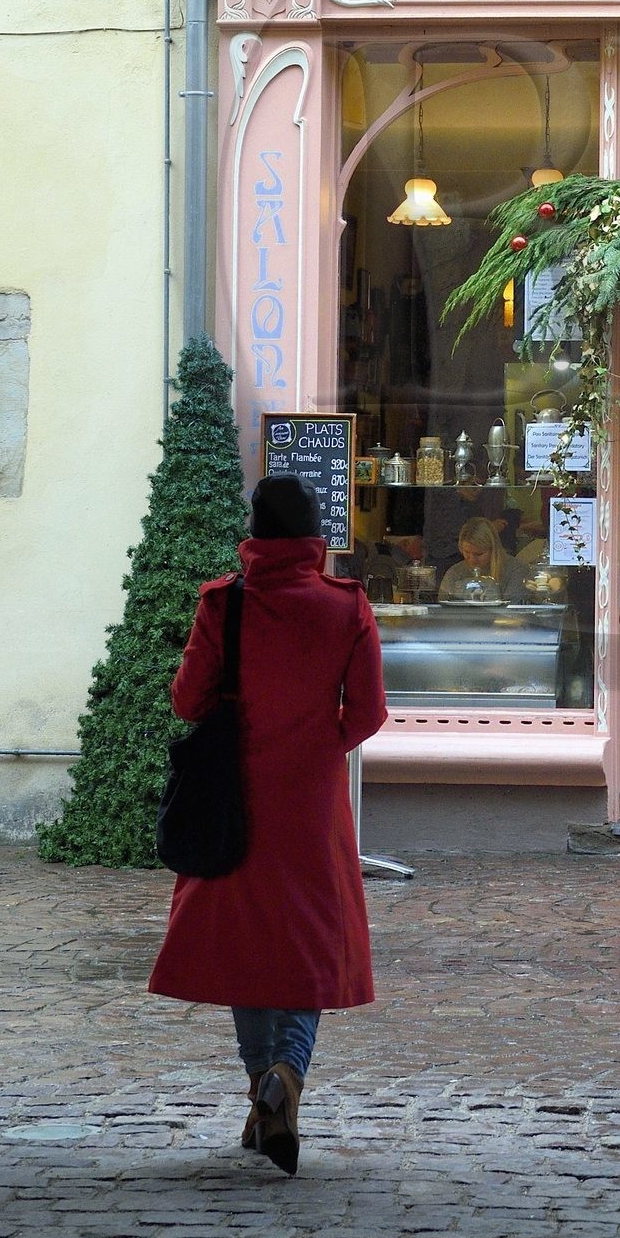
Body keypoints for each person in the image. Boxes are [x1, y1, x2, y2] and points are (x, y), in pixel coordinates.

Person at [147, 473, 387, 1175]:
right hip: (310, 804)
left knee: (242, 947)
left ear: (255, 531)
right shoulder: (345, 608)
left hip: (234, 800)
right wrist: (318, 745)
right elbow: (369, 712)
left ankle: (262, 1087)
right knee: (310, 947)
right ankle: (286, 1074)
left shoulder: (226, 605)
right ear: (315, 536)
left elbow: (190, 701)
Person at [437, 515, 520, 602]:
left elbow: (513, 610)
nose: (472, 559)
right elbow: (443, 607)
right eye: (467, 552)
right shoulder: (455, 573)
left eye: (479, 554)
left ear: (493, 549)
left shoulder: (514, 570)